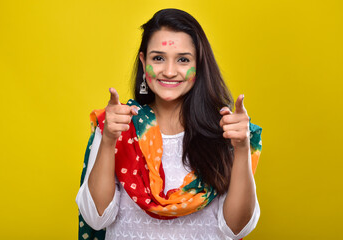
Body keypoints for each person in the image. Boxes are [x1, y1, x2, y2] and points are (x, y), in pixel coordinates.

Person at [76, 8, 262, 240]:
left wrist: (242, 148)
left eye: (183, 60)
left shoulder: (228, 131)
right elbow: (97, 218)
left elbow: (236, 228)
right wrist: (108, 140)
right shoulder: (119, 125)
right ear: (144, 63)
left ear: (199, 64)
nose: (170, 71)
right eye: (158, 58)